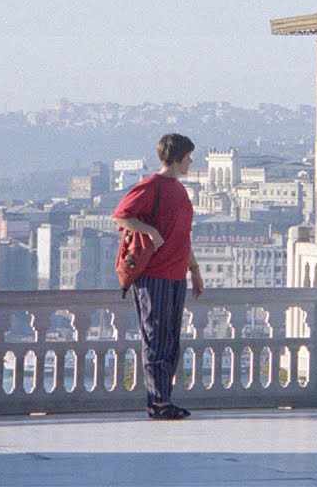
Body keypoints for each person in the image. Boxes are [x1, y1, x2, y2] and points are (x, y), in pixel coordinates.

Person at [113, 133, 204, 420]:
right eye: (189, 156)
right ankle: (157, 402)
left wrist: (195, 270)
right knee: (156, 338)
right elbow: (121, 215)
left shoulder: (179, 191)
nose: (191, 161)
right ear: (178, 158)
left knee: (169, 340)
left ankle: (163, 398)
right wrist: (150, 232)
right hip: (155, 275)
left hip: (175, 273)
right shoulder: (152, 186)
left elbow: (182, 236)